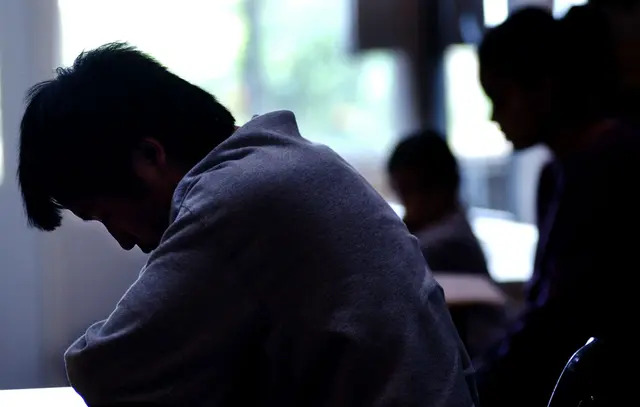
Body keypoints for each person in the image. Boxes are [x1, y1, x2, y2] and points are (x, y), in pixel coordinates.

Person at [18, 43, 477, 406]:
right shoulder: (293, 161)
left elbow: (104, 371)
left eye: (106, 215)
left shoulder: (235, 198)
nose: (121, 241)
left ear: (149, 156)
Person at [476, 6, 640, 407]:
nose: (495, 115)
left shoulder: (608, 165)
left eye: (501, 96)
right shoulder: (559, 172)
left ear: (544, 87)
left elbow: (557, 322)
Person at [387, 130, 489, 275]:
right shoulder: (435, 235)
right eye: (400, 192)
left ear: (444, 188)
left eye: (409, 190)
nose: (407, 204)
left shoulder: (445, 247)